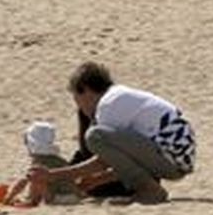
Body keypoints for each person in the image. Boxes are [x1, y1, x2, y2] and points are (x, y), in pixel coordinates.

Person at [30, 63, 195, 205]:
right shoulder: (120, 96)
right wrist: (95, 181)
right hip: (174, 158)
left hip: (170, 156)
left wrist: (53, 175)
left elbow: (102, 162)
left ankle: (150, 190)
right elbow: (125, 161)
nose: (80, 108)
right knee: (98, 138)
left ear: (85, 91)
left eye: (77, 100)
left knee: (95, 136)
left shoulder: (109, 104)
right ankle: (147, 188)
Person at [0, 122, 77, 207]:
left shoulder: (38, 161)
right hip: (72, 195)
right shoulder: (59, 160)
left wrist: (8, 198)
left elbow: (22, 182)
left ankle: (32, 200)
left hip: (54, 197)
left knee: (35, 177)